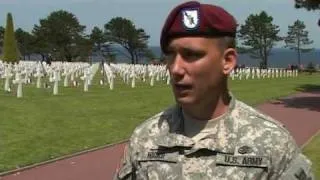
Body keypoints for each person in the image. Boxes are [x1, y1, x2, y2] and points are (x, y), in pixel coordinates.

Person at [113, 1, 314, 179]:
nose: (175, 68)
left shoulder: (272, 143)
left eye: (191, 55)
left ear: (227, 61)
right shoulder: (145, 138)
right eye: (170, 55)